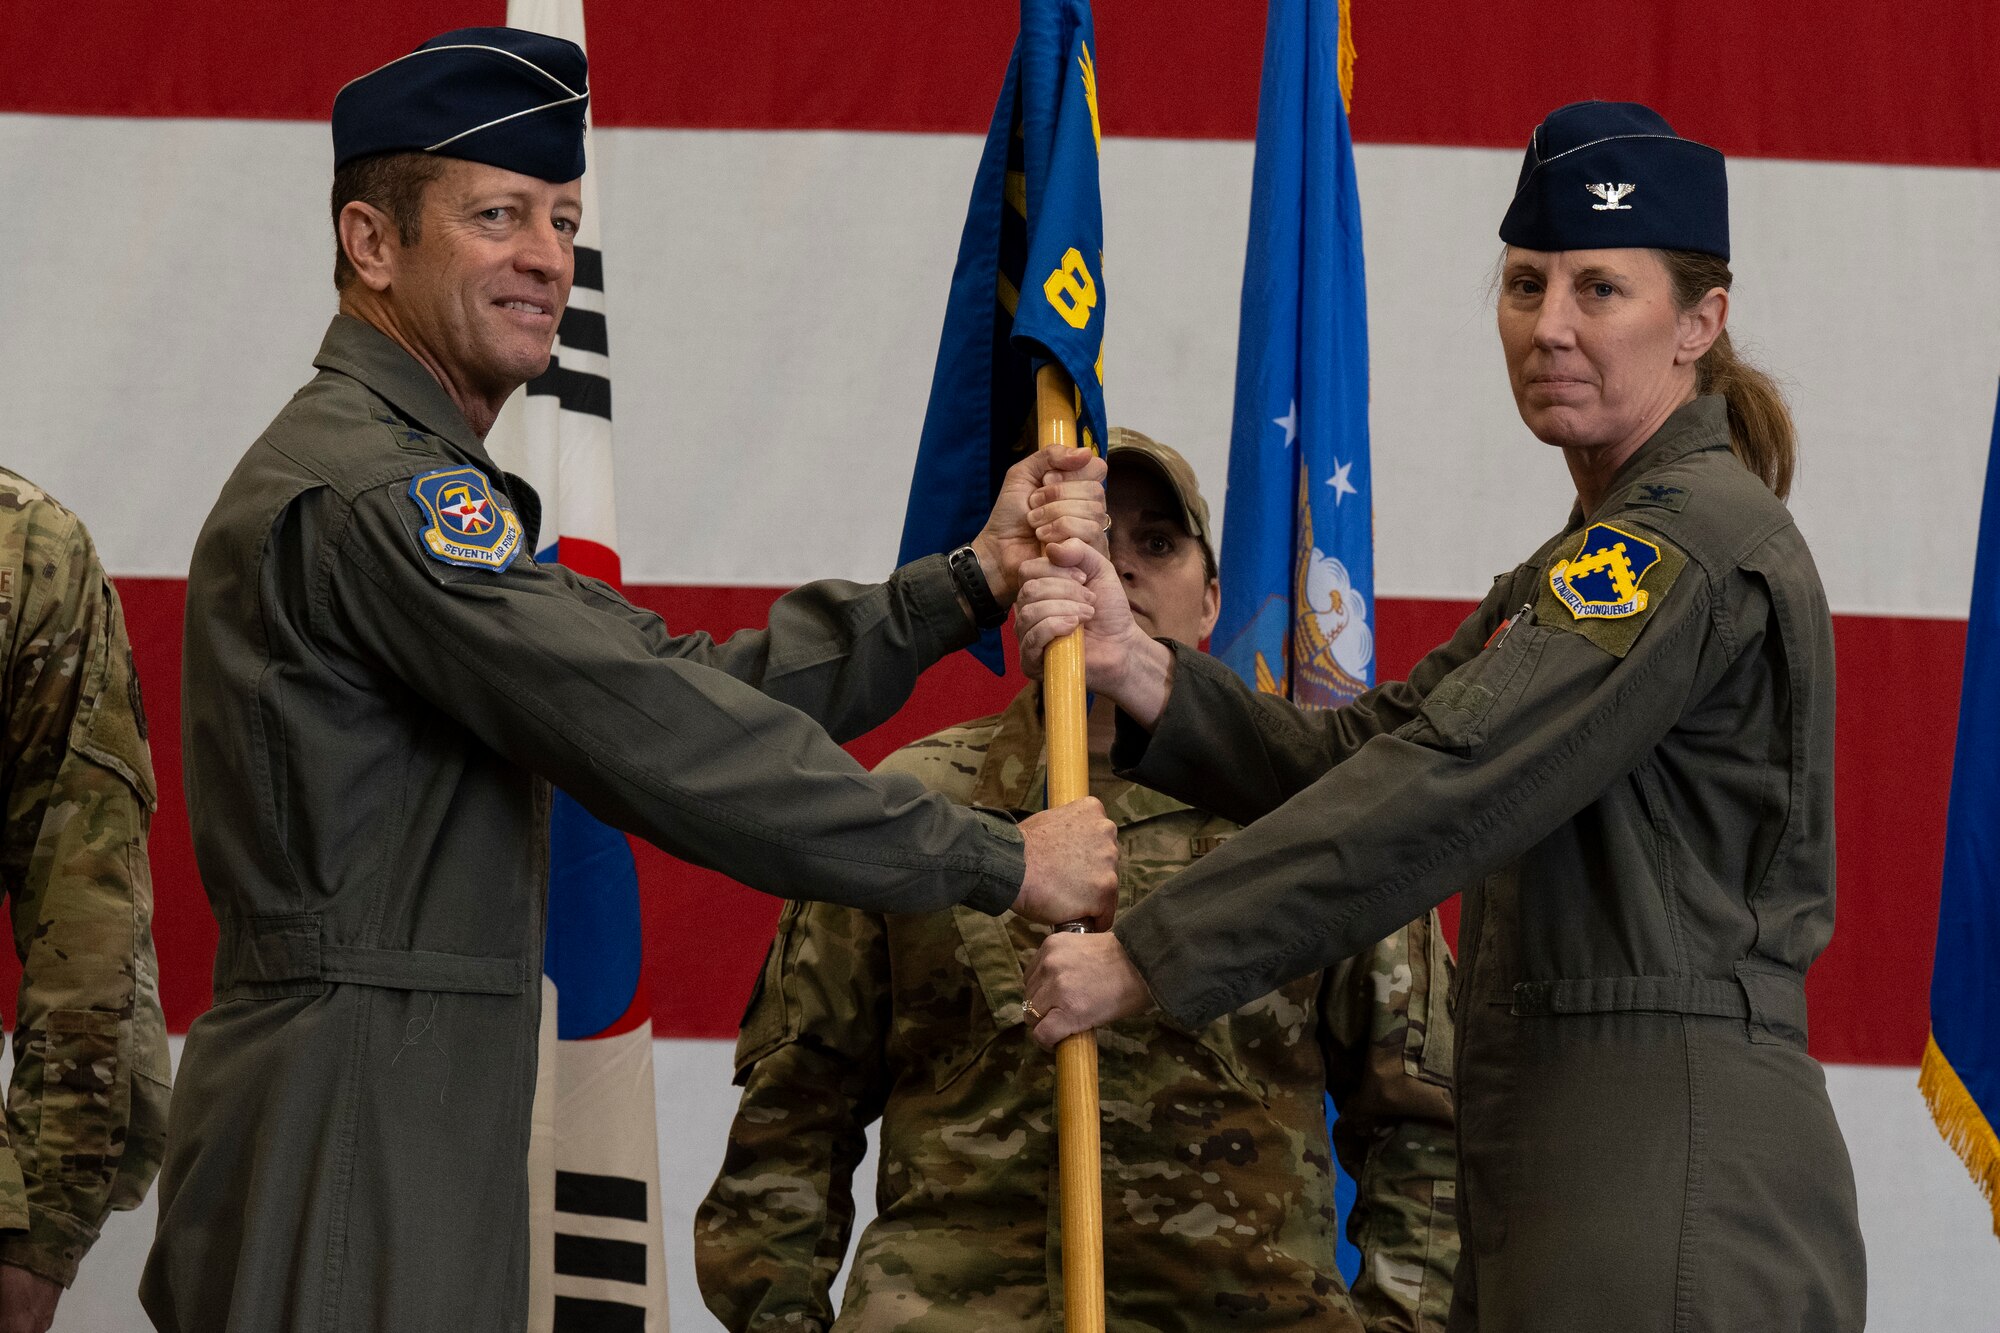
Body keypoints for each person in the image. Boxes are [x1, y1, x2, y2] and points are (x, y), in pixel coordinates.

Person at [140, 28, 1117, 1333]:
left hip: (400, 1090)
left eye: (561, 217)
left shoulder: (400, 471)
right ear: (371, 244)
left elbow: (677, 684)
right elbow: (662, 738)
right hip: (357, 1106)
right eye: (497, 216)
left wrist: (963, 585)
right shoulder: (384, 493)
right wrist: (1004, 861)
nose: (547, 254)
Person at [1015, 102, 1866, 1331]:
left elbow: (1448, 787)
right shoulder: (1580, 562)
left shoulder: (1678, 548)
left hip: (1663, 1173)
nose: (1551, 327)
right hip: (1573, 1168)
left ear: (1699, 323)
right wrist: (1139, 664)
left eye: (1600, 290)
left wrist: (1149, 953)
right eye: (1525, 284)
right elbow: (1365, 755)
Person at [695, 431, 1459, 1332]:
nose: (1116, 566)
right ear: (1031, 576)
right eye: (1088, 536)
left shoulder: (1311, 812)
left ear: (1212, 598)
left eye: (1158, 545)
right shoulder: (911, 806)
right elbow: (795, 1113)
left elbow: (1427, 1128)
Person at [0, 470, 169, 1333]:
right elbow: (93, 944)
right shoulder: (25, 548)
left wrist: (39, 1236)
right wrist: (40, 1239)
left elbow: (91, 931)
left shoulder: (30, 553)